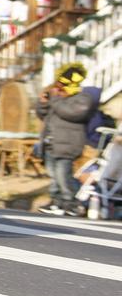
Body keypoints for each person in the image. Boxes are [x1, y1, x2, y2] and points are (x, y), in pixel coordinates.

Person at [36, 62, 98, 217]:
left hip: (68, 143)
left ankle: (72, 203)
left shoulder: (83, 99)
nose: (58, 89)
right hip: (52, 142)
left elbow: (73, 113)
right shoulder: (57, 100)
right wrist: (43, 103)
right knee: (53, 174)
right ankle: (57, 202)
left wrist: (54, 100)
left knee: (63, 175)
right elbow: (43, 115)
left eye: (62, 86)